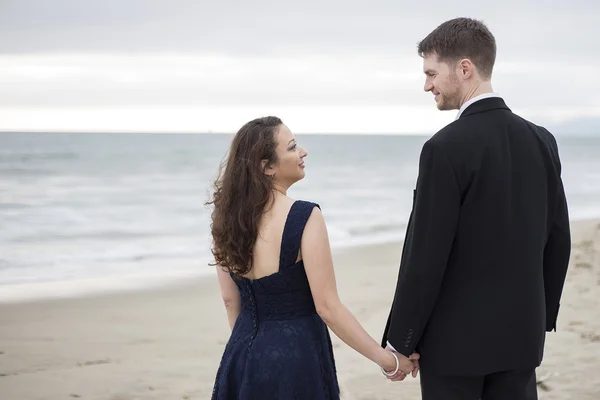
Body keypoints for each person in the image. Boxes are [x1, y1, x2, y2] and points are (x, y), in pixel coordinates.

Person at [381, 17, 571, 400]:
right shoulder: (542, 140)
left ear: (464, 68)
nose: (427, 85)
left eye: (432, 73)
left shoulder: (444, 148)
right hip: (521, 338)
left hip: (455, 349)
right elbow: (558, 239)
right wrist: (542, 316)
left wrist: (402, 340)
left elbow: (425, 257)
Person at [208, 116, 418, 399]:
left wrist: (249, 349)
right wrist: (388, 361)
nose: (303, 152)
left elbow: (230, 300)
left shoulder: (225, 219)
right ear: (266, 166)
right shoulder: (305, 216)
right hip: (295, 359)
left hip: (241, 354)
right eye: (293, 147)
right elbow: (328, 307)